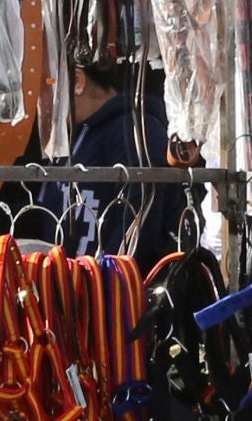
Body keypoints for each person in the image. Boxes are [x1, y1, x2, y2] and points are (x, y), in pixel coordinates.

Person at [32, 62, 185, 270]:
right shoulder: (71, 138)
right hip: (74, 283)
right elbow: (48, 211)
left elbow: (143, 217)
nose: (40, 102)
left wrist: (107, 279)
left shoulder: (133, 130)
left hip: (113, 285)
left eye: (44, 88)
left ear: (77, 82)